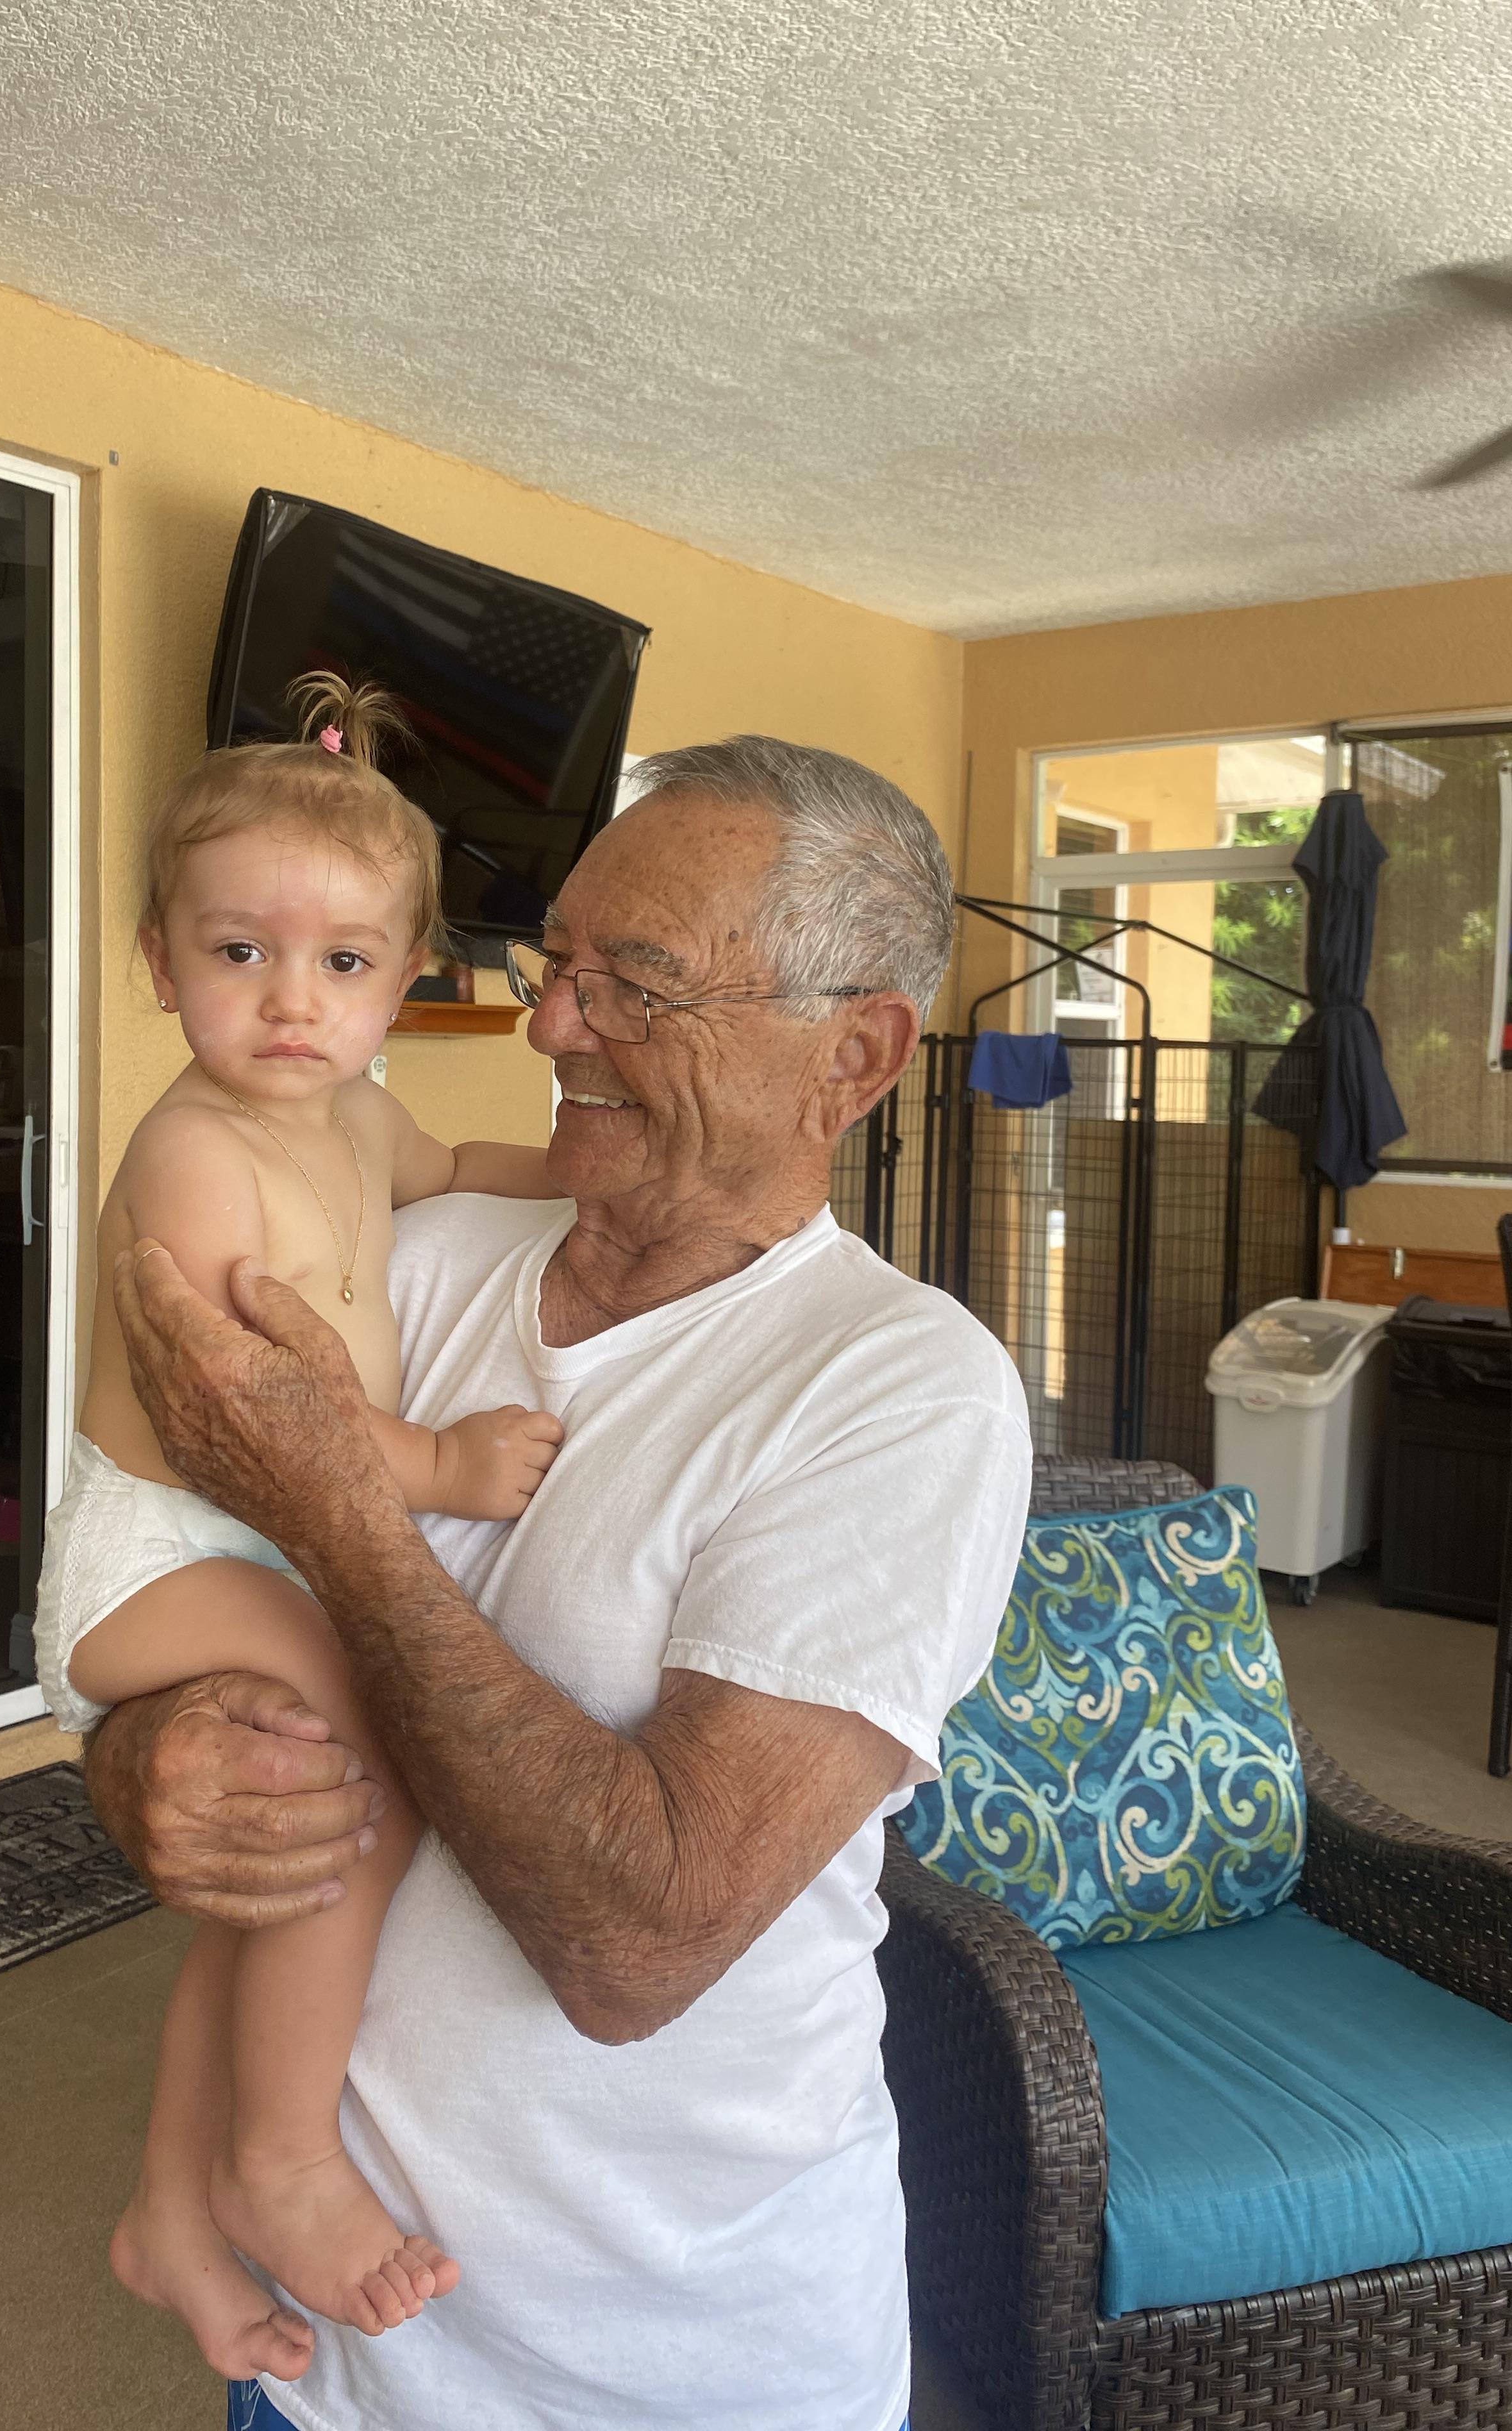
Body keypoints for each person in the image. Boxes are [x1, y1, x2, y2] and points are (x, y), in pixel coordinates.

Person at [87, 733, 1034, 2431]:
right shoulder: (406, 1255)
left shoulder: (897, 1390)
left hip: (664, 2370)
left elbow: (639, 1944)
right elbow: (178, 1588)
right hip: (329, 2360)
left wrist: (347, 1510)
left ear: (856, 1053)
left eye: (633, 986)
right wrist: (147, 1766)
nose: (547, 1028)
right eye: (556, 969)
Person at [33, 676, 563, 2382]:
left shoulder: (353, 1117)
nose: (288, 1001)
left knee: (274, 1864)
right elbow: (239, 1422)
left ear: (403, 983)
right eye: (239, 952)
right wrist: (440, 1468)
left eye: (342, 964)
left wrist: (588, 1173)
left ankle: (170, 2213)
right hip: (160, 1554)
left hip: (251, 1556)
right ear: (157, 957)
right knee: (360, 1781)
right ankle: (275, 2159)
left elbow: (464, 1161)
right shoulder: (191, 1151)